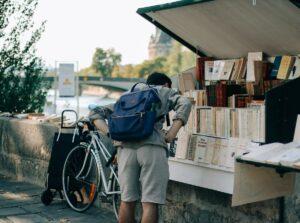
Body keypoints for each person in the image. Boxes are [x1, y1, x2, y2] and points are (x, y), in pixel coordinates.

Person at [89, 72, 191, 223]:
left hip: (125, 151)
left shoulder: (127, 95)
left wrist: (111, 133)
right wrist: (171, 133)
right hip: (152, 148)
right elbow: (185, 103)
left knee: (126, 201)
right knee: (149, 203)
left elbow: (95, 113)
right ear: (166, 84)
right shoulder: (163, 90)